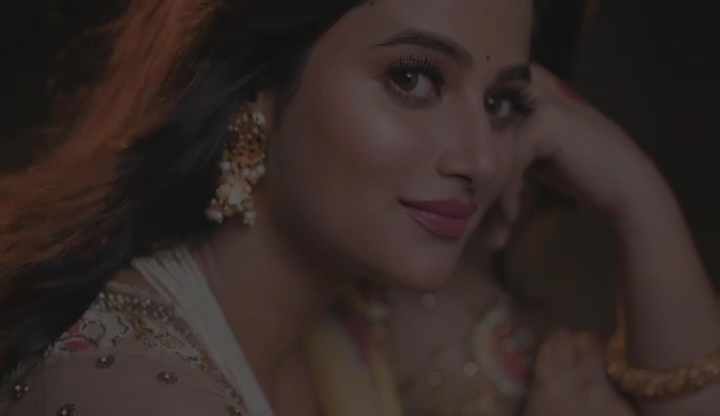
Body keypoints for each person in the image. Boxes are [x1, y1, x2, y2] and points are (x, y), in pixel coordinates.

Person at [0, 0, 718, 415]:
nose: (483, 159)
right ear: (258, 91)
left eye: (502, 101)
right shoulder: (130, 391)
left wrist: (635, 192)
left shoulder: (369, 307)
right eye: (413, 78)